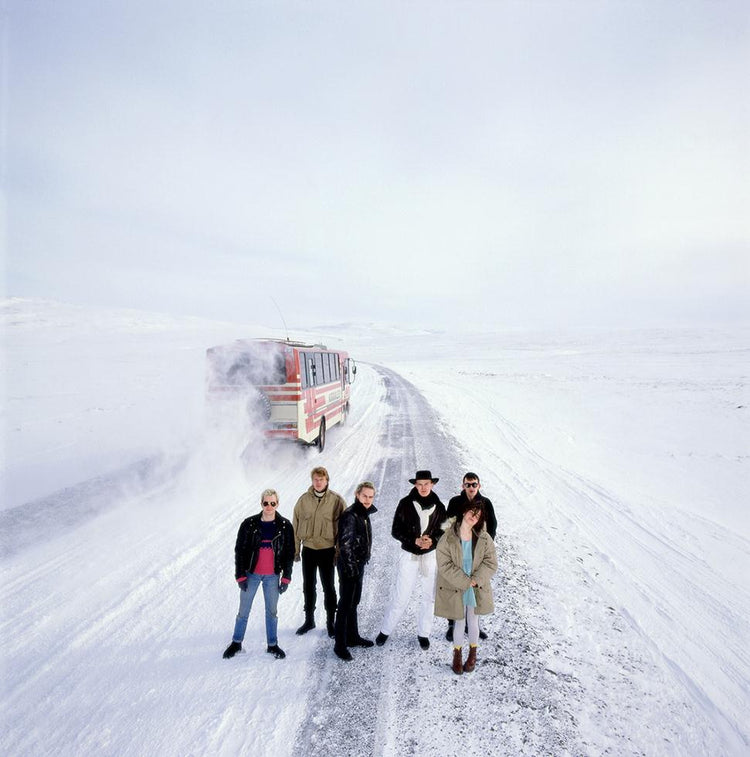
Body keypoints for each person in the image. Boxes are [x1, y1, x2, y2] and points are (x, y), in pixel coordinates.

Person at [375, 470, 447, 650]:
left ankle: (424, 633)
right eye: (420, 484)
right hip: (409, 555)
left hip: (430, 556)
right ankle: (385, 631)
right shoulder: (405, 503)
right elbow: (395, 530)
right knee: (401, 595)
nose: (423, 487)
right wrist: (414, 540)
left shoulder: (439, 506)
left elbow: (444, 530)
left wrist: (433, 540)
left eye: (426, 484)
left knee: (428, 597)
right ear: (415, 485)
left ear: (432, 484)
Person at [222, 489, 294, 660]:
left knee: (272, 612)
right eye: (266, 503)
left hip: (272, 576)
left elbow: (289, 553)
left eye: (273, 503)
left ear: (278, 504)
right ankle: (236, 642)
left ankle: (272, 645)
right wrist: (240, 575)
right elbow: (240, 550)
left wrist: (286, 577)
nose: (269, 506)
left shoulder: (285, 526)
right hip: (251, 574)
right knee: (243, 611)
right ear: (261, 503)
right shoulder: (249, 524)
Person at [435, 499, 498, 674]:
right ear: (464, 512)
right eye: (472, 512)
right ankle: (457, 655)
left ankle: (472, 654)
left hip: (475, 586)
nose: (474, 517)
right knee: (459, 620)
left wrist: (476, 579)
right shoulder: (448, 537)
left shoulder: (484, 538)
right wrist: (464, 581)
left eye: (478, 515)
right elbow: (444, 564)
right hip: (456, 586)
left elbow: (491, 563)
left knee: (473, 620)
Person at [292, 466, 347, 637]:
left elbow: (344, 529)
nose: (318, 482)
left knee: (329, 587)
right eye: (315, 479)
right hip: (309, 550)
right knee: (308, 587)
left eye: (321, 479)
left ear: (327, 480)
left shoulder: (336, 501)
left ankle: (331, 622)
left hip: (327, 551)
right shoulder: (303, 500)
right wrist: (296, 550)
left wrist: (339, 552)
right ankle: (309, 620)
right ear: (312, 481)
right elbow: (295, 525)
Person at [445, 472, 497, 641]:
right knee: (455, 588)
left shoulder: (485, 503)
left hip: (477, 553)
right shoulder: (455, 502)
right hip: (458, 551)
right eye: (468, 484)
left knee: (474, 588)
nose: (471, 487)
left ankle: (472, 624)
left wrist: (485, 547)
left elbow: (493, 526)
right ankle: (452, 624)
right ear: (463, 486)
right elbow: (448, 524)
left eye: (474, 484)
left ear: (479, 485)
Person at [333, 481, 378, 661]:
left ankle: (353, 637)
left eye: (370, 496)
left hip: (357, 564)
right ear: (357, 495)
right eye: (364, 496)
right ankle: (339, 645)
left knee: (354, 602)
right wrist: (351, 568)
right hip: (348, 566)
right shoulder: (350, 515)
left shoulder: (363, 513)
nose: (368, 499)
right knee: (345, 605)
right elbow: (345, 544)